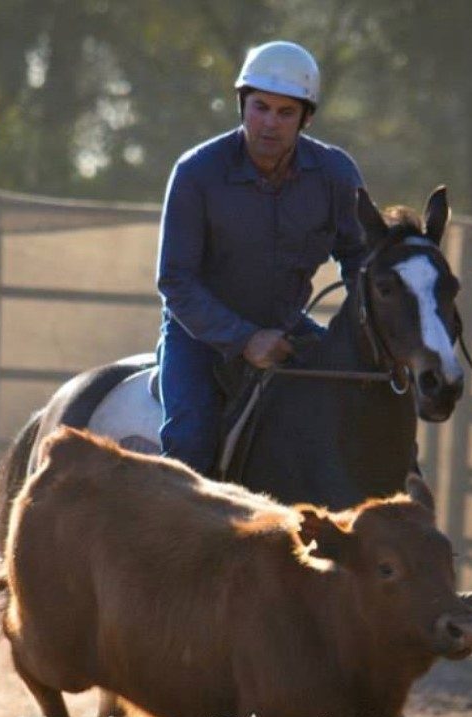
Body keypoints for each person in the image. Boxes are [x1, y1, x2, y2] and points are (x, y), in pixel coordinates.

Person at [155, 40, 367, 475]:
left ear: (306, 118)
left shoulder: (336, 174)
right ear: (241, 105)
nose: (270, 123)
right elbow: (175, 281)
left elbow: (360, 261)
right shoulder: (196, 173)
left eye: (286, 112)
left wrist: (367, 332)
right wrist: (245, 341)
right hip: (197, 338)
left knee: (364, 402)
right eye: (260, 107)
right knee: (191, 436)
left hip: (289, 329)